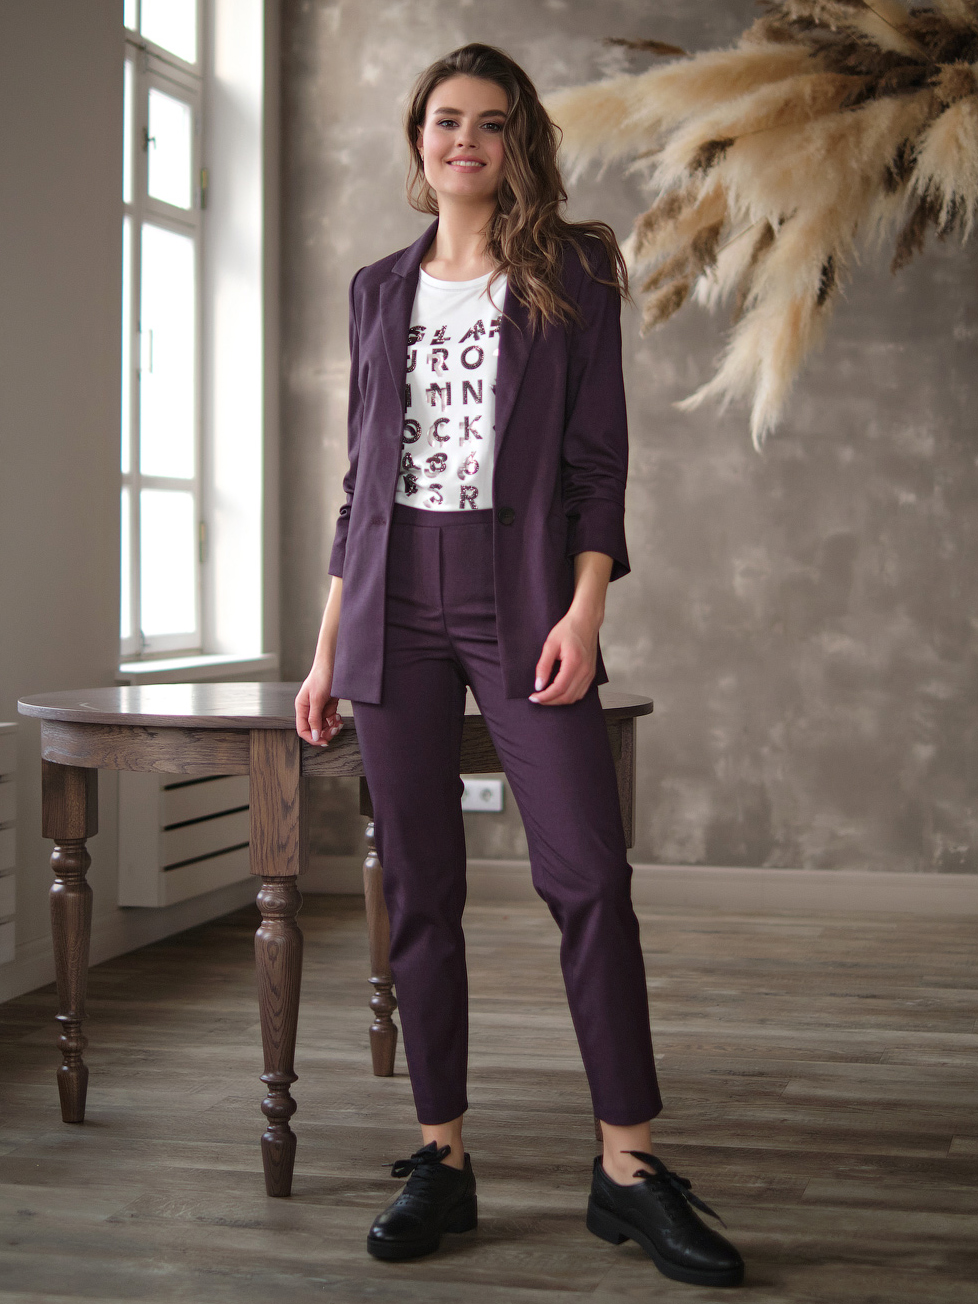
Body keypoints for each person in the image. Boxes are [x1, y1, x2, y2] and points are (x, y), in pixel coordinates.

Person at [294, 42, 744, 1290]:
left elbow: (599, 460)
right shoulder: (377, 290)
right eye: (446, 120)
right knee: (418, 886)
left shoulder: (573, 271)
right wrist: (326, 650)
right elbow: (360, 486)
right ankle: (440, 1154)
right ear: (418, 139)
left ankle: (629, 1167)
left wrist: (584, 609)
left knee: (589, 874)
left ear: (518, 143)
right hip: (393, 601)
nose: (465, 141)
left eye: (490, 123)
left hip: (523, 589)